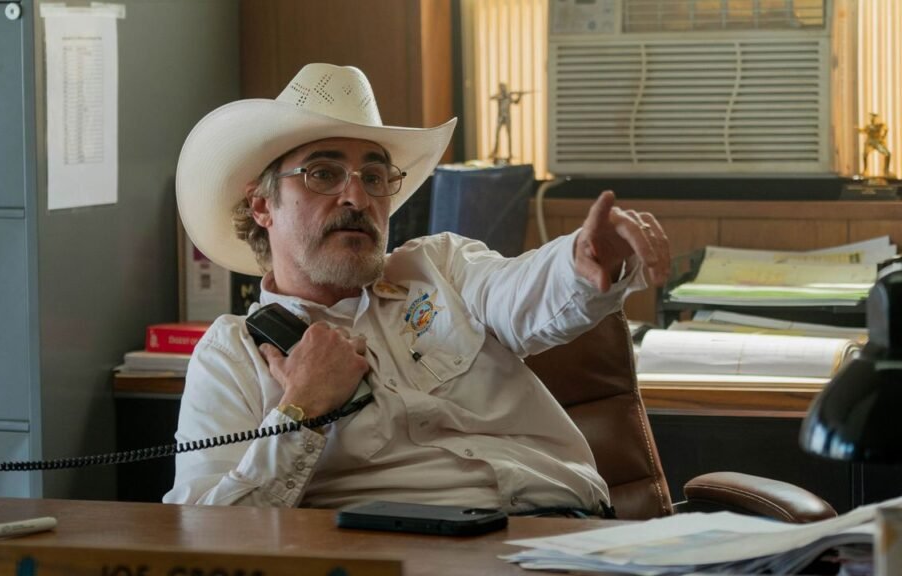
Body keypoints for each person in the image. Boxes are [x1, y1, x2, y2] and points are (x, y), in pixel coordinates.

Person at [164, 63, 670, 517]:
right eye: (323, 173)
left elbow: (522, 290)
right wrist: (302, 409)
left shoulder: (440, 266)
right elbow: (208, 534)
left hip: (573, 531)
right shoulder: (232, 354)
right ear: (261, 205)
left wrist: (581, 259)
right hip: (413, 554)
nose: (357, 196)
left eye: (375, 176)